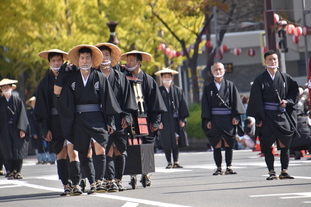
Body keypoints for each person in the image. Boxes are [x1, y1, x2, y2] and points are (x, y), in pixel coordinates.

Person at [54, 45, 122, 194]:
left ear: (93, 60)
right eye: (82, 58)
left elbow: (108, 100)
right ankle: (91, 182)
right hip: (78, 118)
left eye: (87, 58)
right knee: (84, 151)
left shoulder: (99, 76)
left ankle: (99, 181)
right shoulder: (71, 78)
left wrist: (110, 122)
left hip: (97, 116)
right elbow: (57, 93)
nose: (85, 61)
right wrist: (62, 74)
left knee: (100, 147)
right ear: (78, 60)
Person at [246, 50, 299, 180]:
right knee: (267, 145)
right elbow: (255, 100)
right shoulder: (260, 80)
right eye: (270, 59)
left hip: (281, 115)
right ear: (265, 61)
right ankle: (271, 171)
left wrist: (286, 101)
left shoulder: (285, 78)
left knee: (284, 144)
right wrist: (258, 118)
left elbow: (294, 92)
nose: (273, 61)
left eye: (275, 59)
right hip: (266, 116)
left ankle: (284, 170)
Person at [35, 49, 81, 196]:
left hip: (70, 119)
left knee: (73, 152)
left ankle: (76, 183)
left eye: (59, 61)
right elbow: (41, 108)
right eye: (53, 61)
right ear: (49, 63)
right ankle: (66, 184)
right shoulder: (44, 83)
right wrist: (45, 128)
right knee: (60, 154)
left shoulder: (70, 76)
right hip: (54, 121)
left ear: (63, 61)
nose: (56, 63)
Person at [95, 43, 137, 192]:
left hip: (119, 118)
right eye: (101, 55)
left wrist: (126, 116)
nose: (104, 58)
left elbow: (128, 99)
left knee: (120, 149)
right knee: (106, 150)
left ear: (111, 58)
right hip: (100, 118)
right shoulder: (94, 76)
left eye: (107, 55)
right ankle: (109, 180)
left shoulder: (120, 77)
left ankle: (118, 180)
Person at [121, 50, 167, 187]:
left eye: (132, 60)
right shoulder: (124, 78)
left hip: (145, 117)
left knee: (147, 145)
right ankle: (132, 175)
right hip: (130, 118)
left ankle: (146, 174)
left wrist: (156, 121)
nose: (129, 63)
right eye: (127, 60)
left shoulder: (149, 80)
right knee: (131, 144)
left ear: (139, 62)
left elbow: (156, 102)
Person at [201, 62, 245, 176]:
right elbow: (205, 106)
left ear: (224, 71)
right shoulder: (208, 88)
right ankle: (219, 167)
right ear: (212, 72)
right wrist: (207, 120)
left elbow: (236, 102)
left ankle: (229, 167)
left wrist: (236, 116)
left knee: (228, 143)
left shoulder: (230, 85)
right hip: (214, 119)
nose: (218, 71)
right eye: (215, 70)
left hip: (227, 118)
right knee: (216, 143)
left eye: (220, 69)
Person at [154, 68, 189, 169]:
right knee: (166, 141)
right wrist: (158, 121)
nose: (167, 78)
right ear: (161, 78)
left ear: (172, 77)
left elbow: (183, 106)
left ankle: (176, 161)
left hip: (175, 119)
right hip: (164, 120)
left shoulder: (178, 90)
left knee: (176, 140)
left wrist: (182, 119)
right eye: (165, 76)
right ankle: (169, 161)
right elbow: (156, 107)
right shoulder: (158, 91)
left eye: (169, 76)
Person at [0, 78, 29, 180]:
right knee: (7, 150)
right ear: (1, 90)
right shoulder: (1, 102)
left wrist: (22, 129)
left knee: (18, 149)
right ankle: (10, 171)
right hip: (4, 129)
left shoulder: (17, 100)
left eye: (7, 87)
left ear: (11, 88)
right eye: (3, 87)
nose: (6, 89)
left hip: (16, 128)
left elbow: (22, 115)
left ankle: (17, 171)